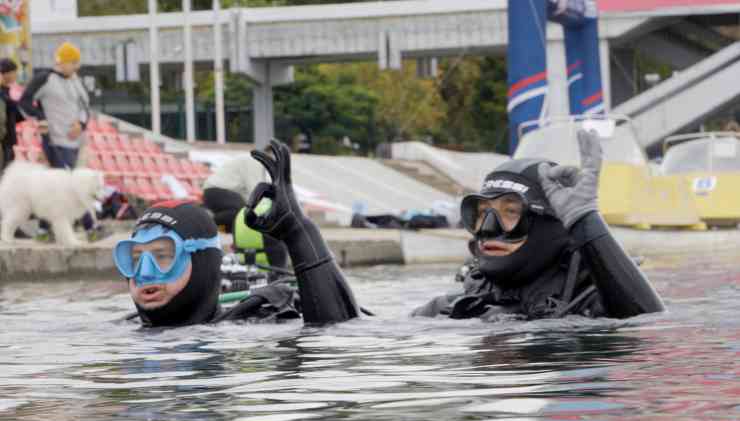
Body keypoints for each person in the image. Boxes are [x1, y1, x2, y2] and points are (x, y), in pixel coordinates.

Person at [413, 129, 665, 320]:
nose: (488, 229)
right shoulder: (445, 310)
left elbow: (646, 327)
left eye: (510, 211)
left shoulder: (595, 306)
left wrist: (585, 218)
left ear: (550, 227)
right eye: (481, 213)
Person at [114, 139, 360, 327]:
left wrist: (299, 234)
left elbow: (334, 335)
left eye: (163, 255)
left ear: (203, 262)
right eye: (135, 258)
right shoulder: (121, 331)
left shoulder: (254, 324)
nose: (144, 273)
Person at [19, 42, 106, 241]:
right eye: (73, 62)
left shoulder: (76, 80)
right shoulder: (44, 78)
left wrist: (81, 124)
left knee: (58, 188)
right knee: (72, 185)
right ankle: (90, 227)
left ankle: (43, 230)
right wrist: (40, 118)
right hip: (55, 141)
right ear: (63, 62)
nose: (76, 67)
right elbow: (24, 102)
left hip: (76, 142)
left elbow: (86, 106)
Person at [202, 152, 288, 271]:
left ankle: (233, 239)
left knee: (239, 218)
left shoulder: (256, 164)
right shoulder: (256, 162)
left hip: (214, 192)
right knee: (242, 216)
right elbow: (256, 191)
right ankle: (206, 221)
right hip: (217, 191)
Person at [0, 58, 23, 168]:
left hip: (10, 139)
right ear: (5, 73)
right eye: (14, 72)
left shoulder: (7, 91)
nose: (15, 75)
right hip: (4, 140)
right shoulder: (2, 93)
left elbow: (13, 115)